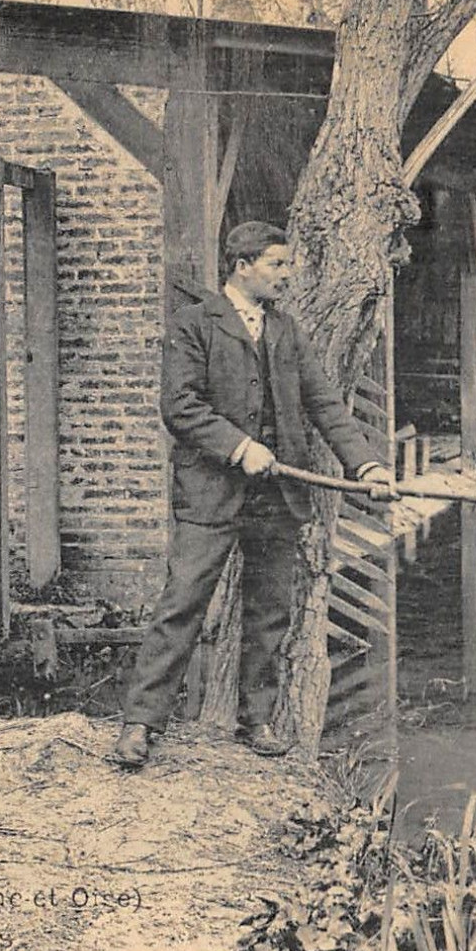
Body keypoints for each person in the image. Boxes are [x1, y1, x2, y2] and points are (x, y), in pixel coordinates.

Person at [110, 222, 396, 768]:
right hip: (210, 494)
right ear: (243, 266)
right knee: (183, 604)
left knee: (269, 614)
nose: (287, 276)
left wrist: (367, 465)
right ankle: (140, 725)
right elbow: (180, 407)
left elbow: (326, 406)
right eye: (278, 265)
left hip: (277, 497)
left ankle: (256, 719)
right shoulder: (194, 325)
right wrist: (240, 447)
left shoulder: (287, 332)